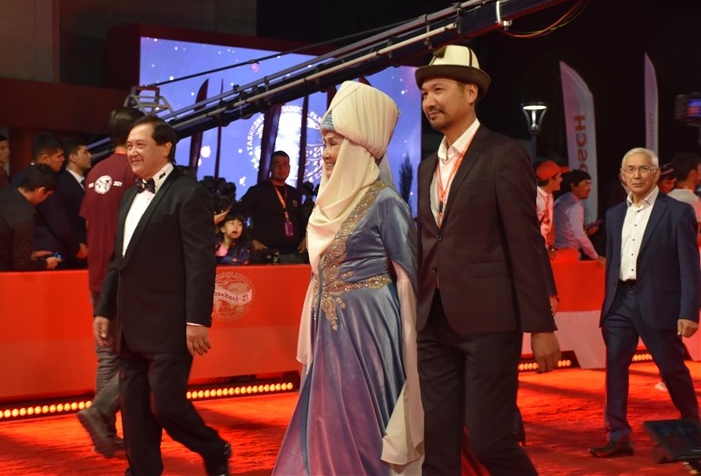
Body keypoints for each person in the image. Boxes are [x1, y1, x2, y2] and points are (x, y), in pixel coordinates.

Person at [414, 44, 560, 475]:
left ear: (471, 92)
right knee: (437, 445)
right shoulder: (426, 167)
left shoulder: (503, 153)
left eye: (439, 90)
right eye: (424, 93)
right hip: (432, 320)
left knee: (488, 440)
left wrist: (541, 326)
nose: (429, 101)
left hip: (490, 323)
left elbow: (525, 242)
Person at [274, 81, 422, 474]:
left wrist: (411, 349)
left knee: (364, 420)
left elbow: (408, 279)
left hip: (371, 328)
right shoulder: (327, 204)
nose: (325, 153)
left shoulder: (386, 202)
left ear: (358, 146)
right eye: (325, 143)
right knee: (325, 417)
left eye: (334, 143)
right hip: (328, 328)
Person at [93, 116, 230, 476]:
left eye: (140, 144)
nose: (132, 152)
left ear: (165, 147)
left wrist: (197, 320)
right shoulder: (128, 196)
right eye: (129, 145)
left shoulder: (189, 193)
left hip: (170, 324)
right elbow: (118, 261)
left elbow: (200, 262)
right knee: (135, 413)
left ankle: (213, 447)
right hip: (129, 325)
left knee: (166, 407)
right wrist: (104, 310)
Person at [590, 147, 701, 458]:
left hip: (659, 303)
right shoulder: (614, 214)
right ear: (622, 175)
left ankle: (694, 431)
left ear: (656, 173)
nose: (636, 175)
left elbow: (690, 265)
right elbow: (614, 262)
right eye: (630, 169)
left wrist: (689, 311)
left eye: (644, 168)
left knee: (672, 370)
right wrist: (609, 304)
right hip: (620, 302)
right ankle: (618, 436)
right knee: (615, 368)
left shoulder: (678, 212)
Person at [76, 106, 144, 458]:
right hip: (126, 277)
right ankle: (102, 415)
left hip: (97, 276)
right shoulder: (136, 171)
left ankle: (105, 431)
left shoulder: (95, 171)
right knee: (141, 359)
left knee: (107, 357)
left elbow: (90, 224)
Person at [11, 132, 87, 268]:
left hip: (24, 249)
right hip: (48, 252)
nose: (63, 159)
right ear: (45, 158)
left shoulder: (18, 176)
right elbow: (58, 223)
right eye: (59, 156)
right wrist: (77, 249)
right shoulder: (46, 180)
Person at [0, 164, 61, 272]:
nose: (45, 199)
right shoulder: (24, 217)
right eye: (47, 195)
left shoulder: (2, 193)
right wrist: (45, 264)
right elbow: (22, 265)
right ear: (40, 191)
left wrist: (28, 253)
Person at [231, 151, 307, 264]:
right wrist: (250, 240)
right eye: (277, 164)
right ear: (270, 167)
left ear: (290, 168)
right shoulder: (258, 191)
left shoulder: (294, 193)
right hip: (267, 253)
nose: (281, 168)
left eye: (285, 164)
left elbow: (301, 219)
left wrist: (306, 237)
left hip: (294, 253)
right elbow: (234, 214)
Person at [553, 169, 606, 265]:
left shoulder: (560, 199)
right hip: (568, 255)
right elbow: (578, 235)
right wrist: (596, 256)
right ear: (573, 185)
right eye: (586, 184)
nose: (589, 188)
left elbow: (566, 228)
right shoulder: (574, 205)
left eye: (590, 184)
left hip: (555, 252)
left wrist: (585, 230)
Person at [59, 137, 92, 266]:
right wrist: (76, 245)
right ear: (72, 157)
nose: (90, 156)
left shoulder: (89, 180)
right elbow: (65, 221)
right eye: (85, 152)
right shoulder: (63, 183)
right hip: (75, 252)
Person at [535, 160, 568, 259]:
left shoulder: (549, 195)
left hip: (544, 249)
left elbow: (550, 222)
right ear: (550, 180)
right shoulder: (534, 198)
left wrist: (550, 246)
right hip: (535, 250)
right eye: (559, 176)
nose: (561, 180)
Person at [667, 153, 701, 245]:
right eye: (700, 170)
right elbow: (694, 237)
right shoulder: (694, 201)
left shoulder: (667, 197)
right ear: (693, 173)